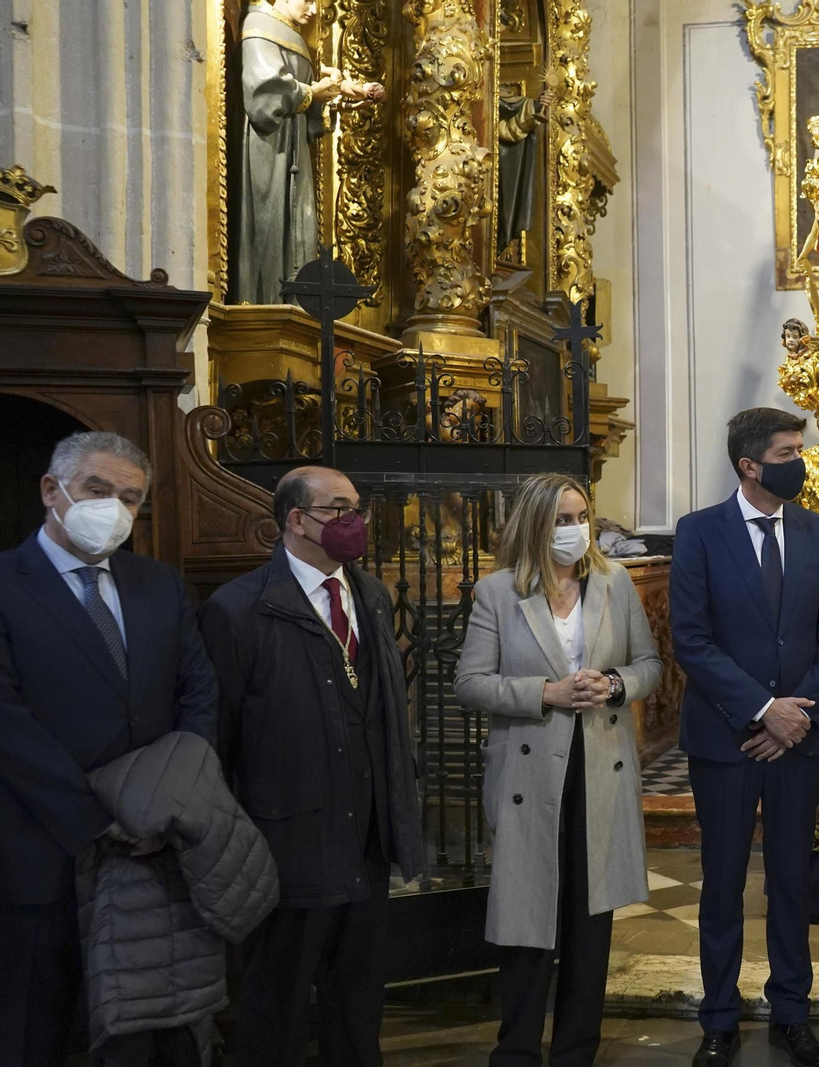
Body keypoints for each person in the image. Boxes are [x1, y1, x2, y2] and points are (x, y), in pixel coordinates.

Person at [0, 431, 218, 1067]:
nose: (114, 509)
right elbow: (8, 725)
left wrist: (167, 805)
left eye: (130, 498)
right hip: (40, 851)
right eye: (98, 490)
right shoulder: (6, 584)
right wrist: (99, 819)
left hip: (149, 855)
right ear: (52, 490)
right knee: (33, 1029)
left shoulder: (159, 585)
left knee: (138, 1038)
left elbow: (198, 697)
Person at [198, 465, 424, 1067]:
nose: (354, 522)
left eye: (358, 509)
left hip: (365, 837)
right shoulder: (237, 609)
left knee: (358, 998)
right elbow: (214, 743)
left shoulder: (370, 595)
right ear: (295, 520)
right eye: (338, 509)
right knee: (277, 1002)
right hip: (285, 841)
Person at [455, 473, 663, 1066]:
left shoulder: (615, 581)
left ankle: (577, 1050)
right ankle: (516, 1050)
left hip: (600, 765)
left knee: (589, 918)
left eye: (580, 517)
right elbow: (469, 683)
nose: (574, 530)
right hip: (529, 771)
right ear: (534, 525)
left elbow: (647, 662)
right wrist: (544, 692)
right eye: (561, 520)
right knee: (526, 914)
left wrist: (616, 684)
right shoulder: (498, 591)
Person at [670, 408, 819, 1067]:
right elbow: (690, 638)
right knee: (720, 882)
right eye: (787, 450)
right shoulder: (699, 533)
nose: (798, 460)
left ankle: (792, 1013)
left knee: (791, 881)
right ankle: (718, 1016)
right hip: (727, 740)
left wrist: (794, 715)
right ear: (750, 464)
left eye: (798, 448)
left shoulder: (816, 530)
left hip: (796, 737)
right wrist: (761, 709)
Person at [235, 0, 382, 304]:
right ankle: (264, 302)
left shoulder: (293, 35)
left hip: (293, 144)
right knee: (271, 220)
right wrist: (314, 91)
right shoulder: (257, 27)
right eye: (310, 0)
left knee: (299, 223)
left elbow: (305, 103)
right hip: (269, 145)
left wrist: (333, 97)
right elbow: (264, 95)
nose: (315, 11)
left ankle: (294, 304)